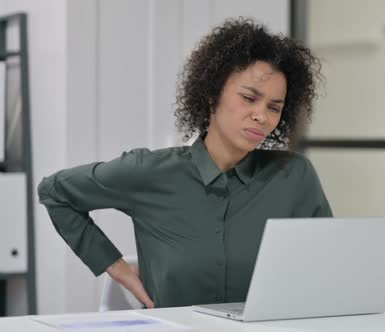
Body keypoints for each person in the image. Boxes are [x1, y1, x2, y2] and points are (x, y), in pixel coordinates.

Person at [37, 18, 332, 309]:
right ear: (212, 95)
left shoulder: (293, 176)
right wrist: (114, 266)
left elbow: (328, 267)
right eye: (248, 98)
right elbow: (54, 191)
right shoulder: (150, 172)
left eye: (274, 107)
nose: (261, 116)